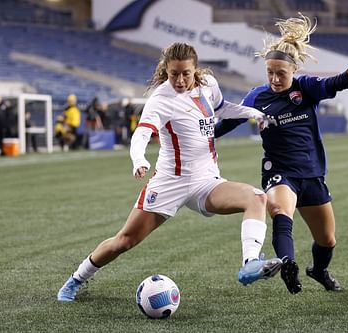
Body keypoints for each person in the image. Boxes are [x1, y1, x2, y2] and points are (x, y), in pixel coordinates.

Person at [57, 42, 282, 302]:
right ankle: (75, 280)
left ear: (195, 69)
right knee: (125, 240)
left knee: (257, 197)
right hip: (169, 183)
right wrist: (138, 159)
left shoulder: (208, 84)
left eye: (185, 73)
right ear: (166, 70)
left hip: (206, 182)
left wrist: (252, 112)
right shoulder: (160, 99)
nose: (180, 79)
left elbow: (222, 108)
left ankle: (250, 264)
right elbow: (141, 134)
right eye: (174, 73)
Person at [215, 13, 348, 294]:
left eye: (281, 73)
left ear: (293, 69)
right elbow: (227, 124)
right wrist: (197, 134)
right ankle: (287, 264)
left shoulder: (306, 88)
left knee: (327, 240)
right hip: (279, 170)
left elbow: (340, 82)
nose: (275, 79)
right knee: (279, 210)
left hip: (311, 173)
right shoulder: (256, 97)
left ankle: (319, 270)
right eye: (270, 72)